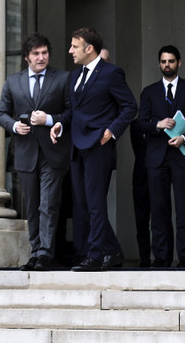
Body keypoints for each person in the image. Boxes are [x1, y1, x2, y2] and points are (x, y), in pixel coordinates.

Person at [51, 27, 137, 271]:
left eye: (74, 46)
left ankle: (95, 255)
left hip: (99, 146)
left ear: (89, 49)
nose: (70, 51)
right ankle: (114, 251)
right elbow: (74, 112)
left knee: (95, 203)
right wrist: (59, 124)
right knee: (84, 204)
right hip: (77, 147)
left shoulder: (111, 73)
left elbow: (130, 107)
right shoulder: (75, 75)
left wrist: (112, 130)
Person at [0, 33, 70, 271]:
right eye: (36, 54)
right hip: (25, 151)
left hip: (53, 150)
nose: (41, 57)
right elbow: (1, 114)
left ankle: (46, 253)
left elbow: (72, 112)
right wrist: (15, 125)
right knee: (32, 205)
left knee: (48, 204)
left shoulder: (63, 78)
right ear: (27, 57)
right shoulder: (13, 81)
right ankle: (35, 251)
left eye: (45, 53)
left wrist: (50, 119)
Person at [137, 45, 185, 267]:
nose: (167, 65)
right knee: (158, 210)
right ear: (159, 64)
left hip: (183, 154)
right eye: (164, 61)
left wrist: (184, 138)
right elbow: (140, 123)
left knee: (184, 209)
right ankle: (161, 258)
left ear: (179, 63)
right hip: (156, 157)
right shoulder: (149, 92)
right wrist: (157, 124)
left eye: (171, 61)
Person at [129, 120, 153, 267]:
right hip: (140, 176)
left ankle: (161, 258)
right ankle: (144, 258)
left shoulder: (162, 123)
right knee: (141, 222)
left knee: (159, 219)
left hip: (157, 175)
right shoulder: (136, 125)